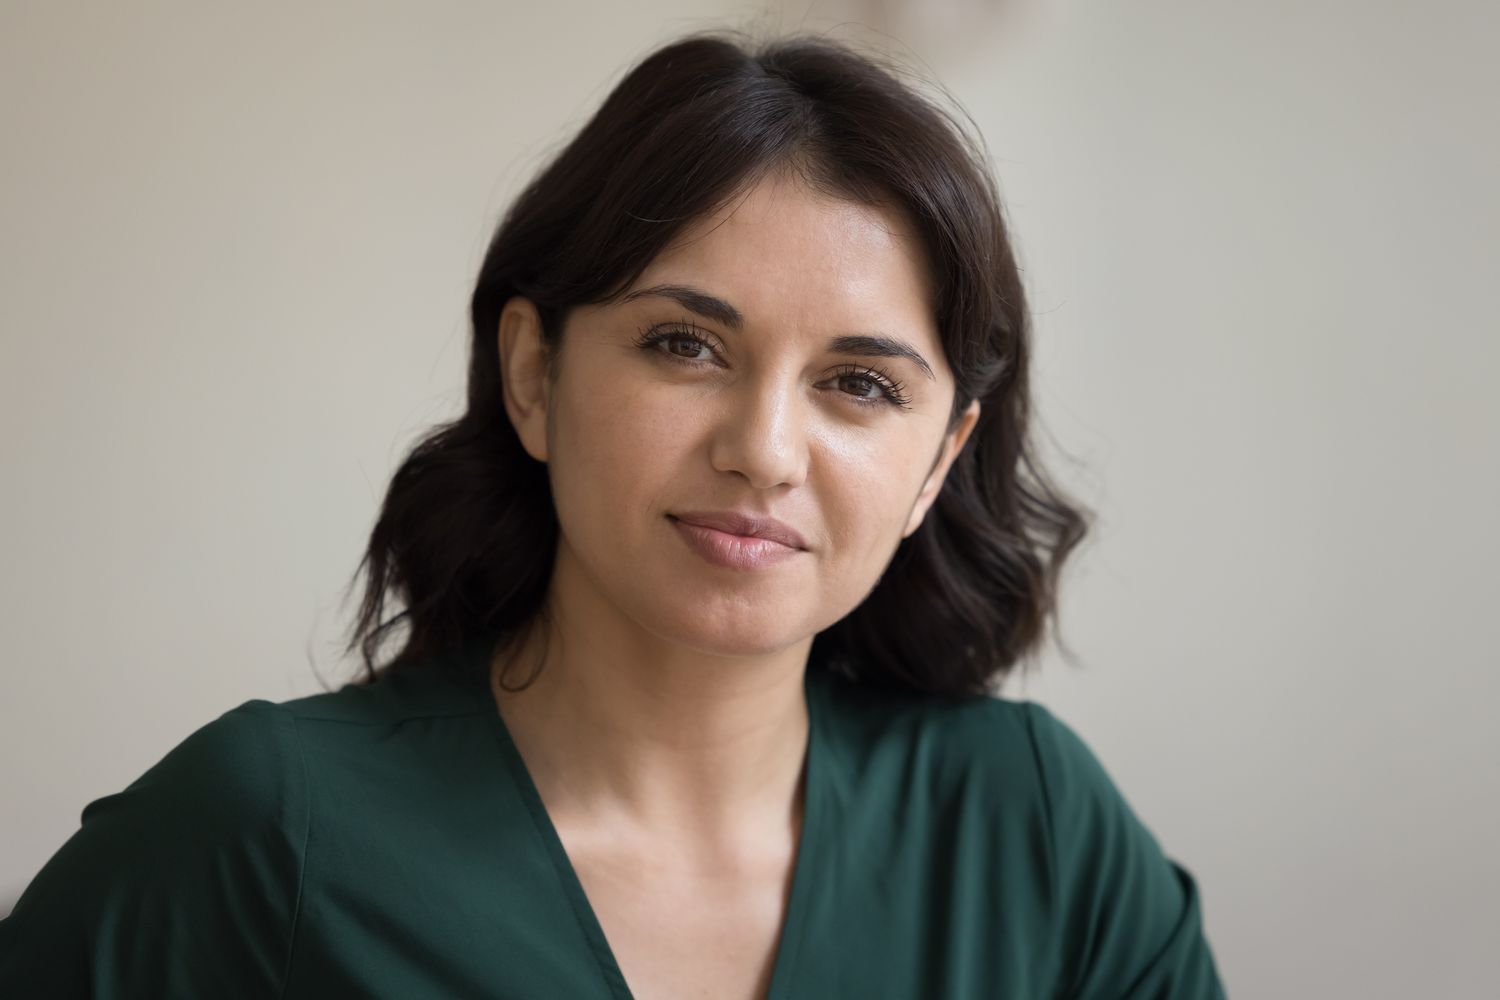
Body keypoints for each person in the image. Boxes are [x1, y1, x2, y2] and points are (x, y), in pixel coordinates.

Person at [0, 28, 1227, 999]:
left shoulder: (1034, 833)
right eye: (685, 344)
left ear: (936, 462)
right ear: (534, 374)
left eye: (858, 384)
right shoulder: (268, 837)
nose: (763, 448)